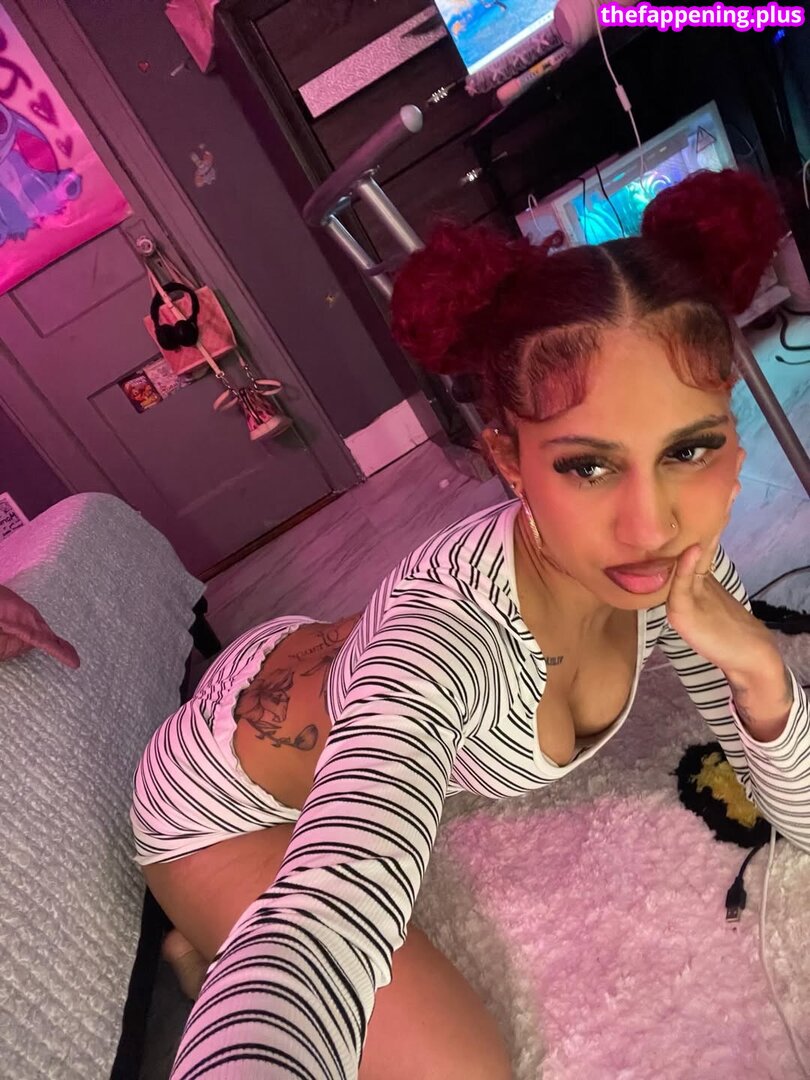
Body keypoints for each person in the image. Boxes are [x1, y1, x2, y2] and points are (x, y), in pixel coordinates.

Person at [131, 168, 809, 1080]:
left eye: (689, 448)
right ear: (509, 459)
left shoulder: (682, 564)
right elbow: (322, 928)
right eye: (588, 467)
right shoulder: (443, 645)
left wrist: (762, 675)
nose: (651, 526)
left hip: (303, 657)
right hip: (215, 805)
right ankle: (209, 933)